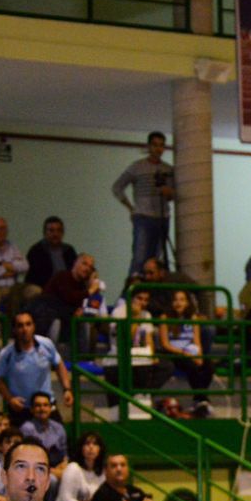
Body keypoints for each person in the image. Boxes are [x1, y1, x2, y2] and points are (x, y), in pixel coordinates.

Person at [113, 131, 175, 279]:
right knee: (140, 258)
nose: (158, 149)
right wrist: (130, 208)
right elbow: (117, 187)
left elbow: (172, 196)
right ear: (148, 146)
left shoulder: (168, 169)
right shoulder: (137, 167)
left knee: (156, 260)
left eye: (161, 145)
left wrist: (168, 192)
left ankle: (150, 294)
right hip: (143, 217)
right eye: (154, 145)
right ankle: (130, 292)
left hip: (162, 217)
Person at [0, 312, 73, 425]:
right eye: (20, 325)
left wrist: (67, 389)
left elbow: (59, 365)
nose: (25, 329)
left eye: (28, 324)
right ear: (14, 330)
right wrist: (10, 399)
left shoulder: (46, 344)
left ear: (34, 326)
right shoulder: (7, 353)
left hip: (46, 405)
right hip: (21, 409)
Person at [157, 290, 215, 417]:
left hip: (190, 351)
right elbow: (165, 344)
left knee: (208, 365)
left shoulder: (193, 318)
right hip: (174, 352)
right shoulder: (165, 317)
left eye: (182, 300)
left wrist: (199, 355)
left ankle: (199, 398)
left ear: (187, 303)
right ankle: (202, 399)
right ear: (171, 303)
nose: (178, 303)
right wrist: (184, 353)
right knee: (191, 366)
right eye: (176, 300)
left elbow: (197, 341)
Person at [28, 254, 98, 344]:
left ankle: (84, 358)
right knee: (56, 322)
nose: (87, 269)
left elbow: (84, 307)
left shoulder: (82, 286)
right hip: (47, 319)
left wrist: (91, 282)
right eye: (84, 264)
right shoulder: (62, 276)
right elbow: (69, 297)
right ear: (75, 263)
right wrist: (90, 290)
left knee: (85, 323)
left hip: (66, 323)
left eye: (91, 267)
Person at [55, 431, 106, 501]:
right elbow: (65, 500)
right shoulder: (73, 468)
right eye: (87, 444)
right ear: (81, 448)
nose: (91, 447)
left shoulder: (102, 473)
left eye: (95, 444)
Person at [19, 392, 68, 484]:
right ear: (32, 409)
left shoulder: (58, 428)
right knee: (52, 480)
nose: (42, 408)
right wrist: (52, 471)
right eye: (38, 405)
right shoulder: (27, 428)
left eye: (45, 405)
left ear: (50, 408)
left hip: (58, 467)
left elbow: (64, 454)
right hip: (35, 470)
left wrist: (63, 469)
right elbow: (28, 459)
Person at [25, 216, 77, 294]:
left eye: (58, 230)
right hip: (44, 290)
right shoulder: (36, 251)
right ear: (45, 233)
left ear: (62, 233)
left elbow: (76, 271)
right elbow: (32, 278)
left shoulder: (69, 251)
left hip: (67, 290)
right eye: (51, 230)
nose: (55, 234)